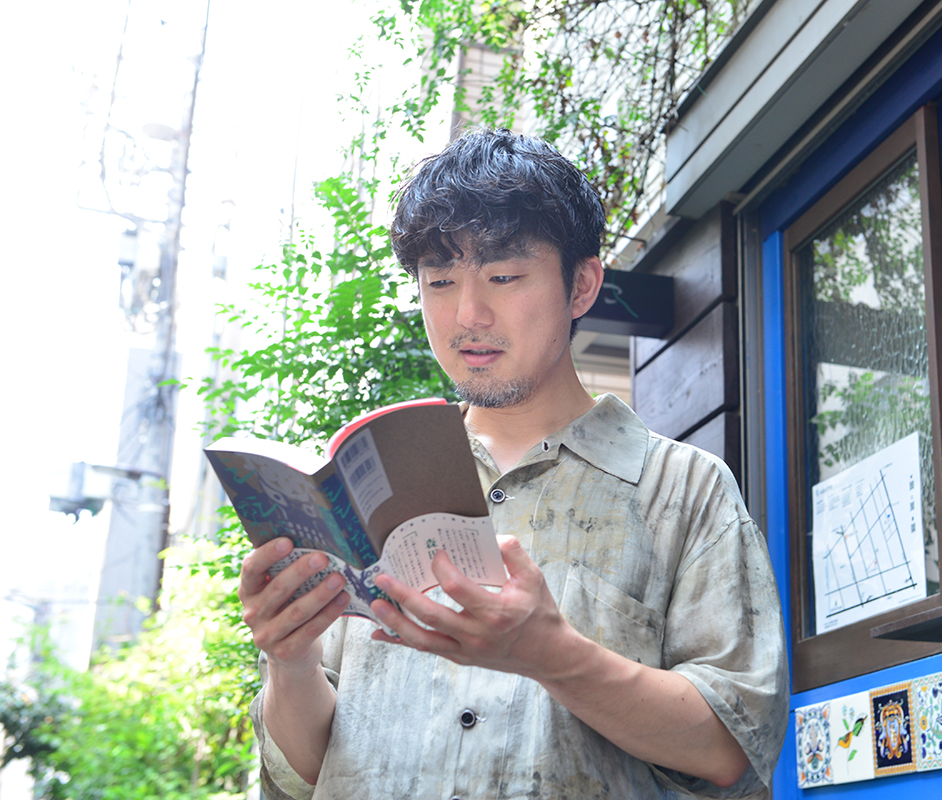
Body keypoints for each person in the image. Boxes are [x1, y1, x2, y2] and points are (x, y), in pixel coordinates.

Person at [238, 129, 789, 800]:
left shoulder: (684, 488)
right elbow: (305, 775)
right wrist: (289, 660)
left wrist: (553, 657)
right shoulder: (363, 491)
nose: (468, 314)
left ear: (581, 284)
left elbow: (732, 744)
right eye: (439, 282)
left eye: (503, 277)